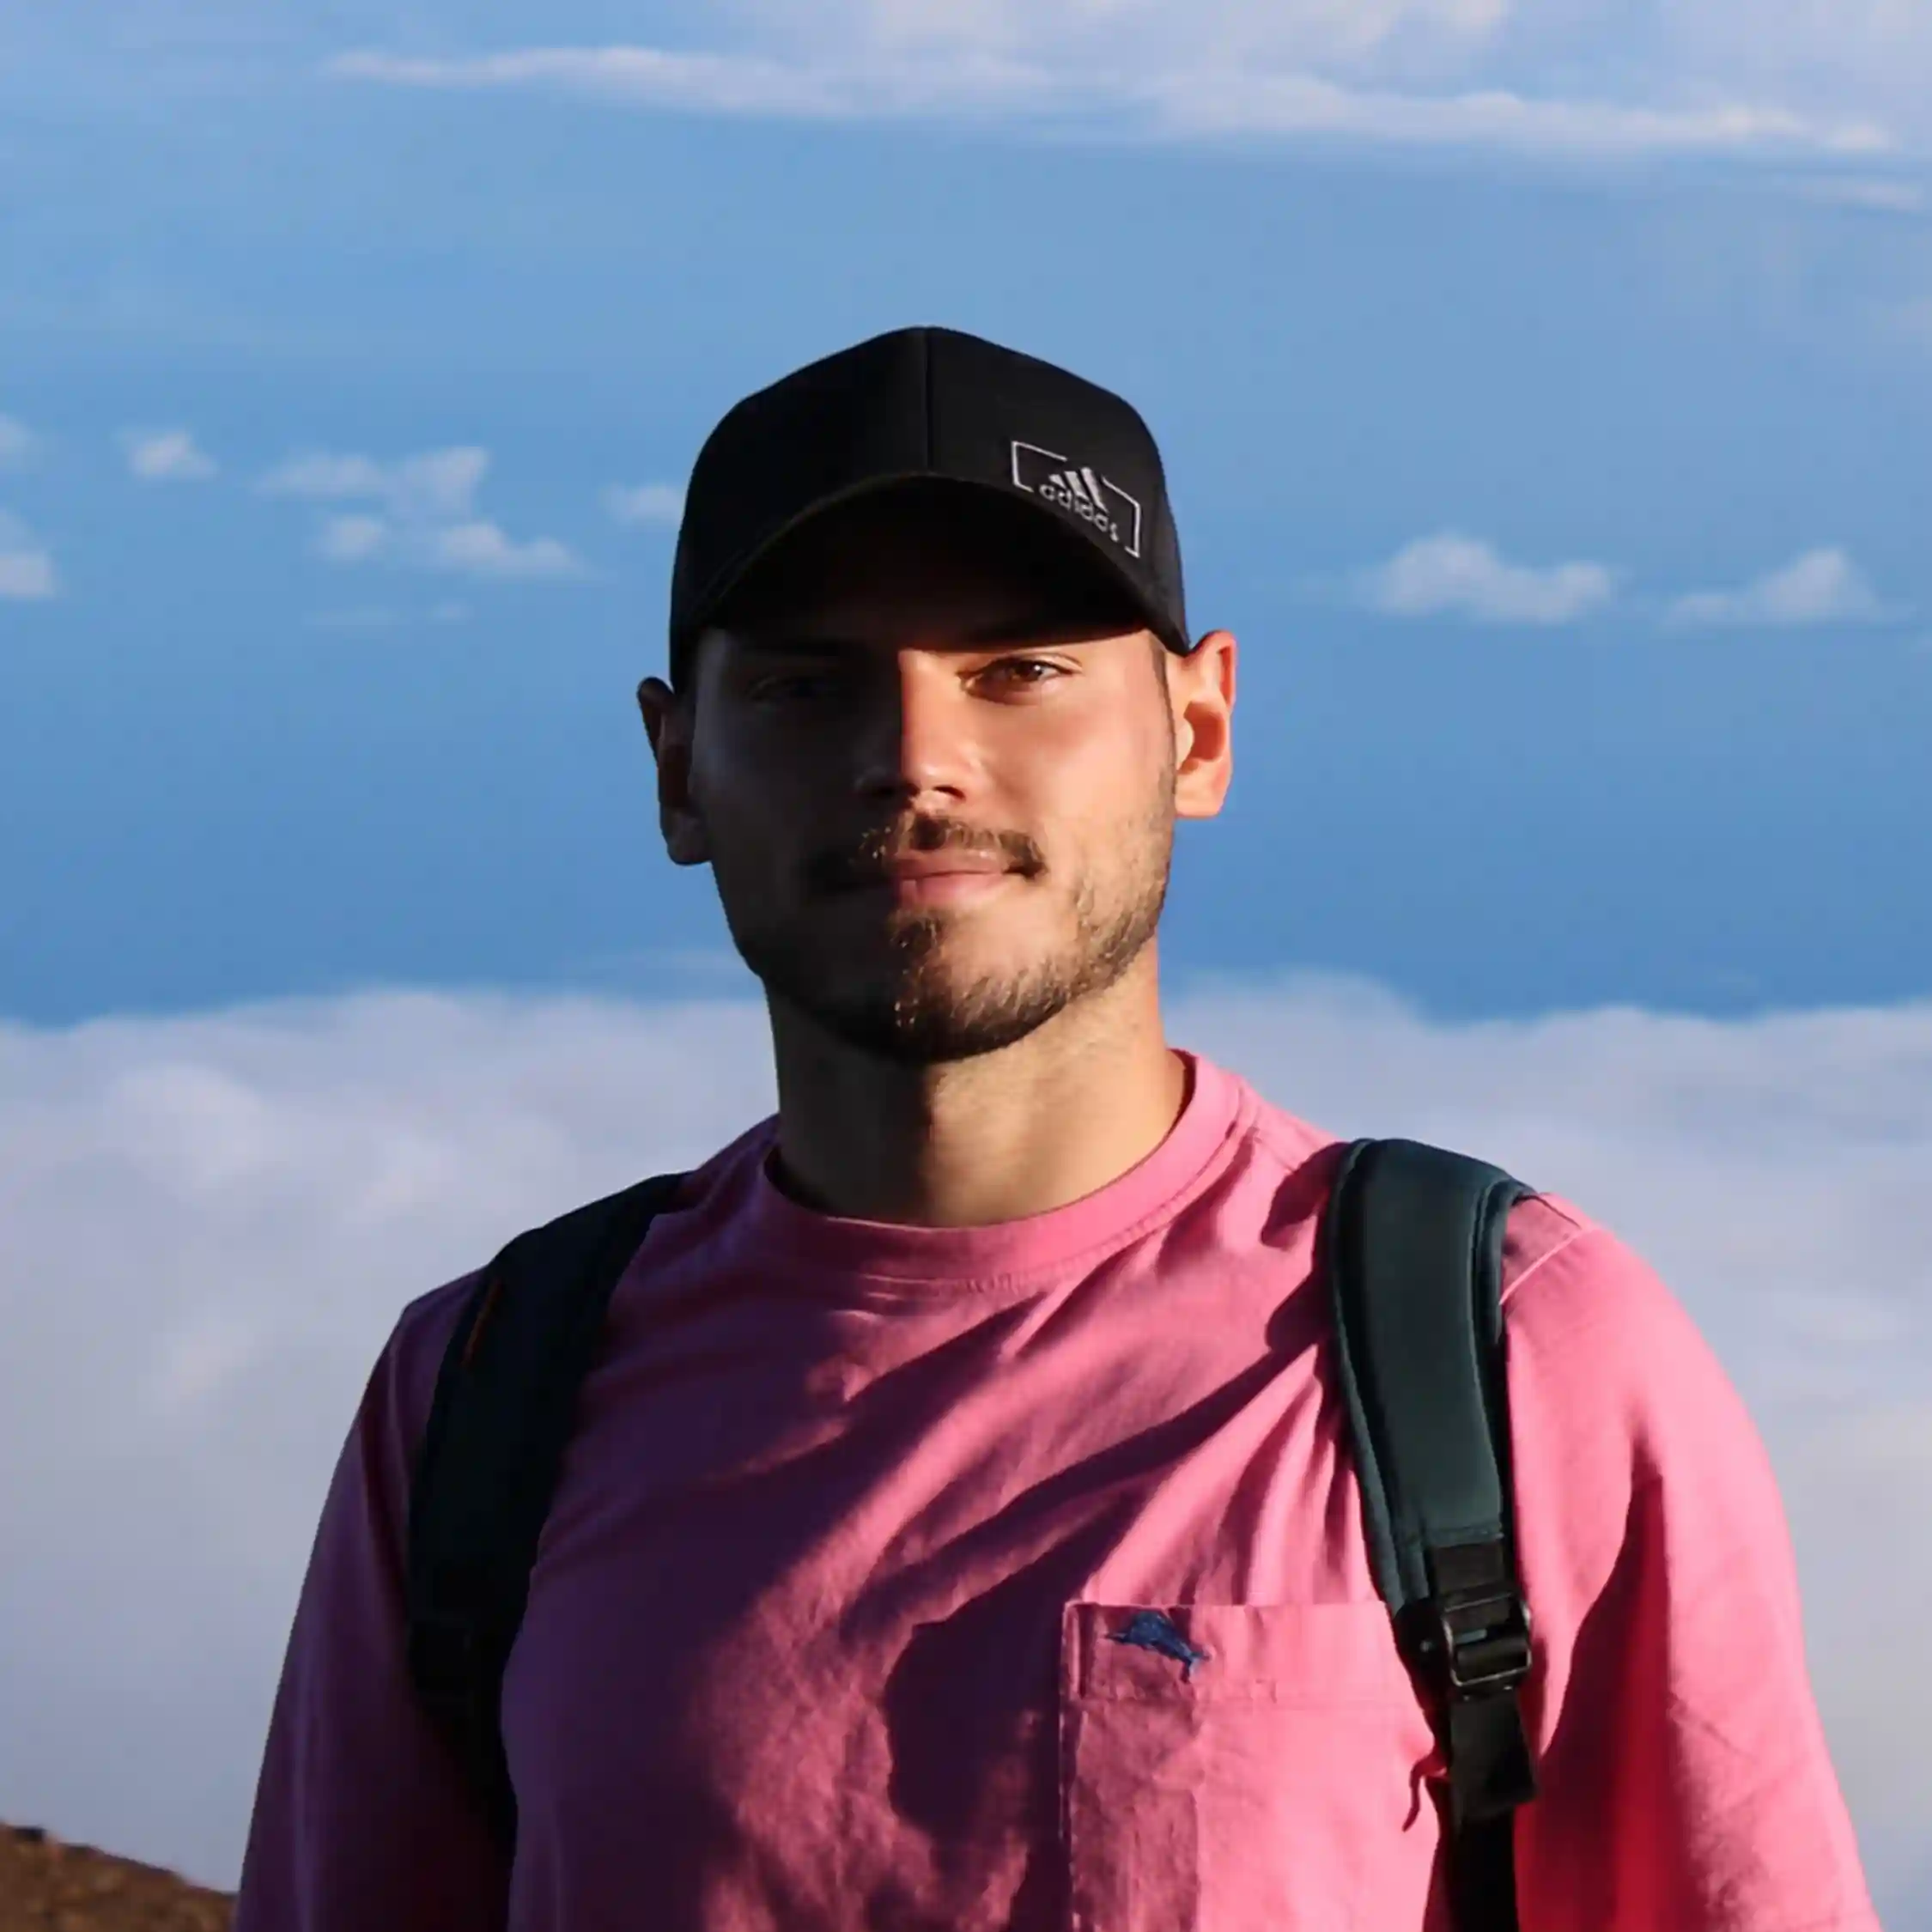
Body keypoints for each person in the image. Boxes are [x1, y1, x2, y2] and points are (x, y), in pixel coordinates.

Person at [232, 325, 1879, 1931]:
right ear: (676, 769)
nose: (915, 758)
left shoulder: (1499, 1354)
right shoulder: (484, 1396)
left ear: (1197, 729)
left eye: (1018, 671)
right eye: (810, 685)